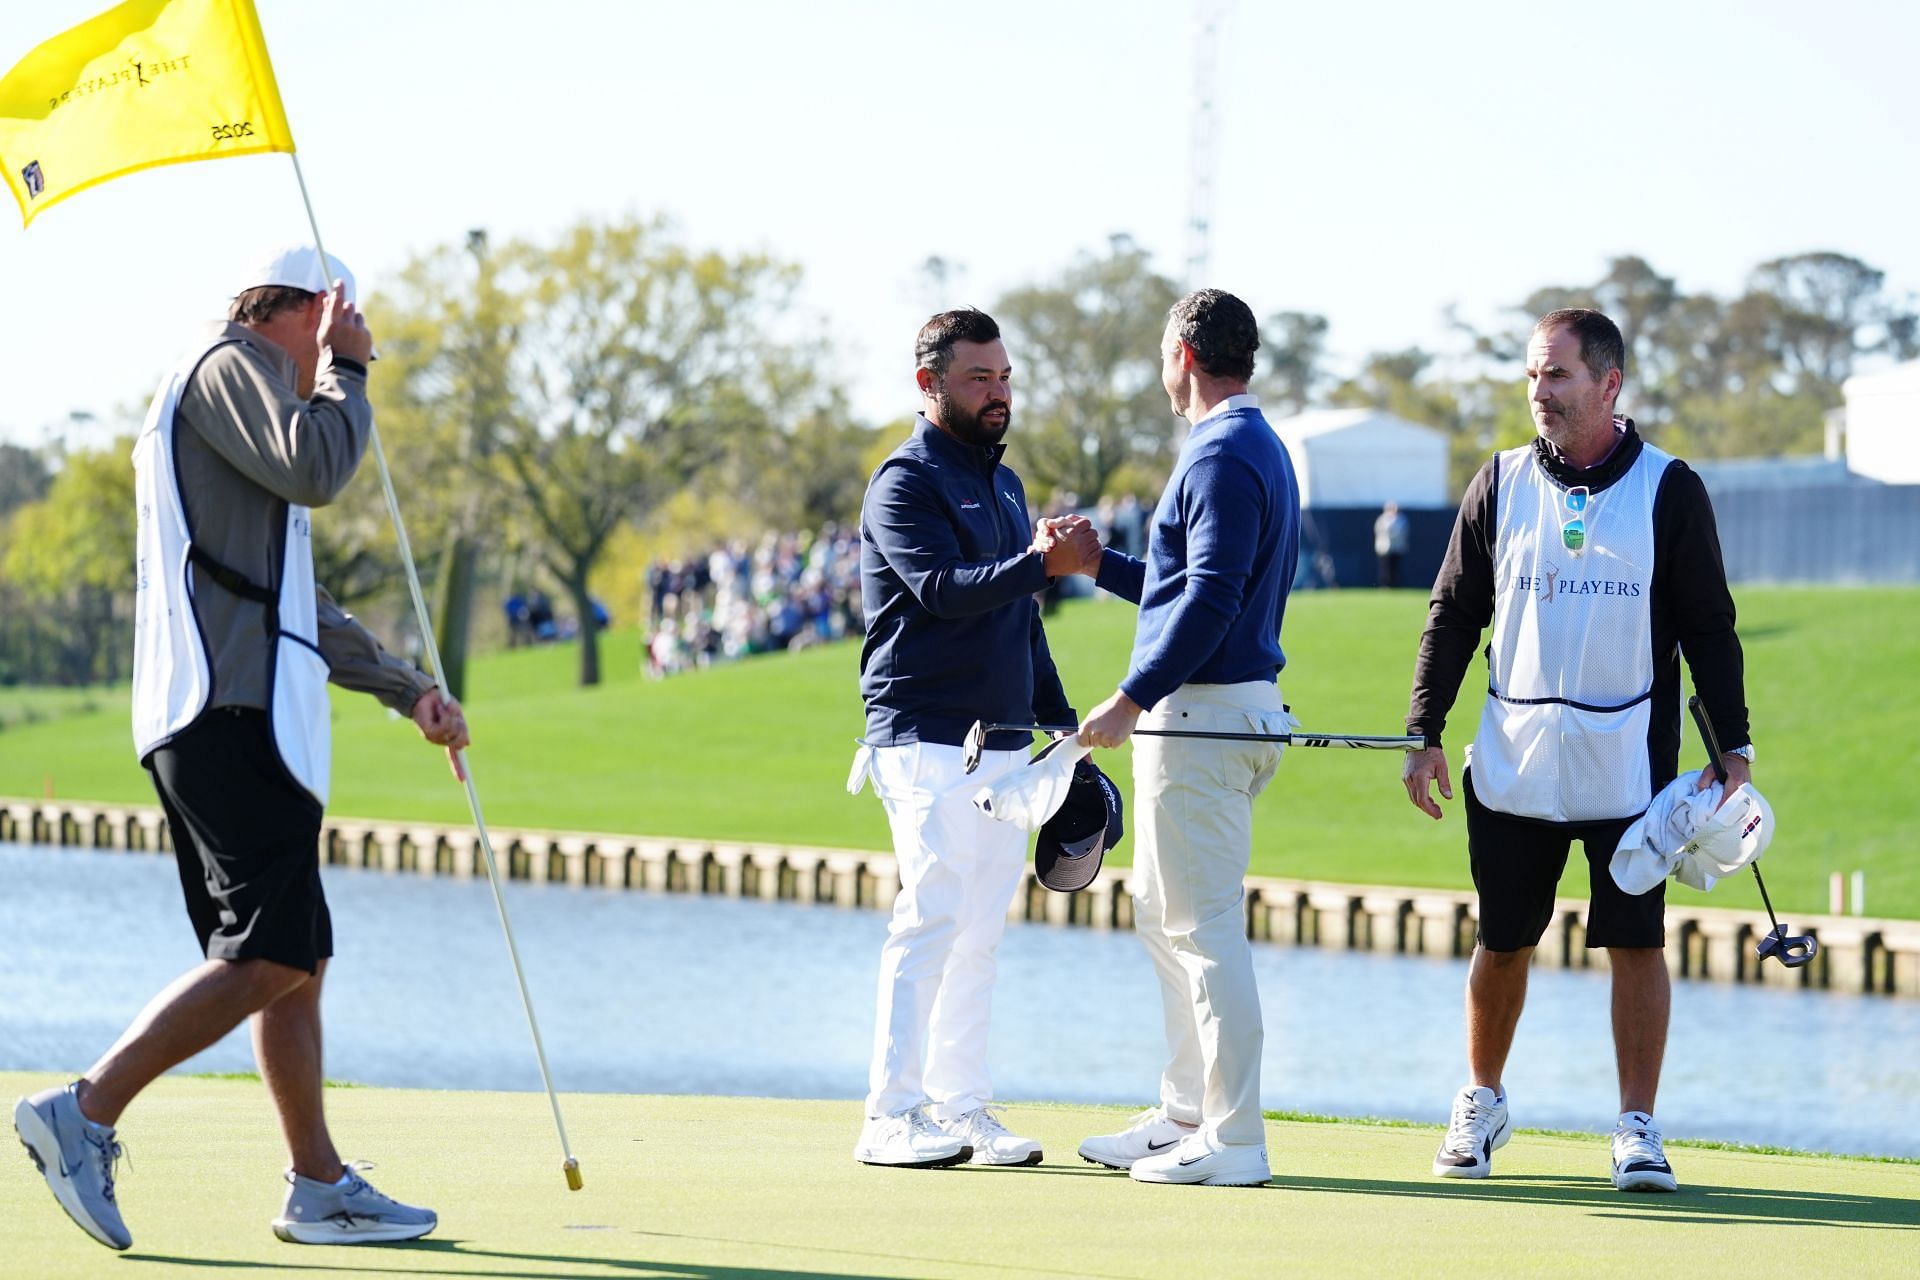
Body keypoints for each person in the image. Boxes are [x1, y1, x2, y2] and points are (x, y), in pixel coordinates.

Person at [11, 247, 469, 1252]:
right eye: (349, 325)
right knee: (266, 952)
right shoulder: (231, 368)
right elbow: (321, 469)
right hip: (223, 715)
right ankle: (81, 1112)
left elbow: (295, 597)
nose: (358, 346)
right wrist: (349, 372)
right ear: (316, 308)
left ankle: (318, 1184)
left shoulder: (250, 399)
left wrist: (409, 689)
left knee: (297, 961)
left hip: (236, 714)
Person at [1400, 308, 1752, 1193]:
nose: (1539, 392)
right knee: (1504, 937)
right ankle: (1481, 1103)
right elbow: (1451, 613)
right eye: (1532, 376)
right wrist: (1423, 732)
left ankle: (1636, 1128)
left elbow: (1711, 626)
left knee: (1636, 940)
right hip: (1514, 760)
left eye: (1557, 376)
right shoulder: (1501, 480)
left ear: (1608, 384)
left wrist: (1732, 746)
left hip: (1626, 762)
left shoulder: (1670, 489)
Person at [851, 308, 1099, 1169]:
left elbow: (1018, 620)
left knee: (980, 933)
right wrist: (1045, 563)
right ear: (930, 384)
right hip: (922, 735)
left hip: (1001, 740)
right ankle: (889, 1115)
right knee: (930, 919)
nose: (998, 395)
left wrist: (1063, 723)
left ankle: (960, 1109)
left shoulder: (1005, 483)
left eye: (1003, 378)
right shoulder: (903, 480)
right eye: (978, 379)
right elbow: (943, 590)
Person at [1074, 290, 1301, 1188]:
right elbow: (1194, 587)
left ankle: (1236, 1138)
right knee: (1161, 917)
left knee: (1204, 930)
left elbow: (1211, 601)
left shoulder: (1218, 452)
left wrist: (1131, 697)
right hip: (1215, 712)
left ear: (1183, 355)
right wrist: (1099, 567)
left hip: (1202, 720)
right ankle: (1184, 1113)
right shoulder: (1254, 446)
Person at [1374, 500, 1410, 587]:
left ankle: (1395, 584)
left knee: (1395, 568)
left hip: (1397, 548)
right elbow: (1379, 531)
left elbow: (1403, 532)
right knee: (1385, 568)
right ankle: (1385, 585)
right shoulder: (1382, 519)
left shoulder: (1401, 519)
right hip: (1384, 548)